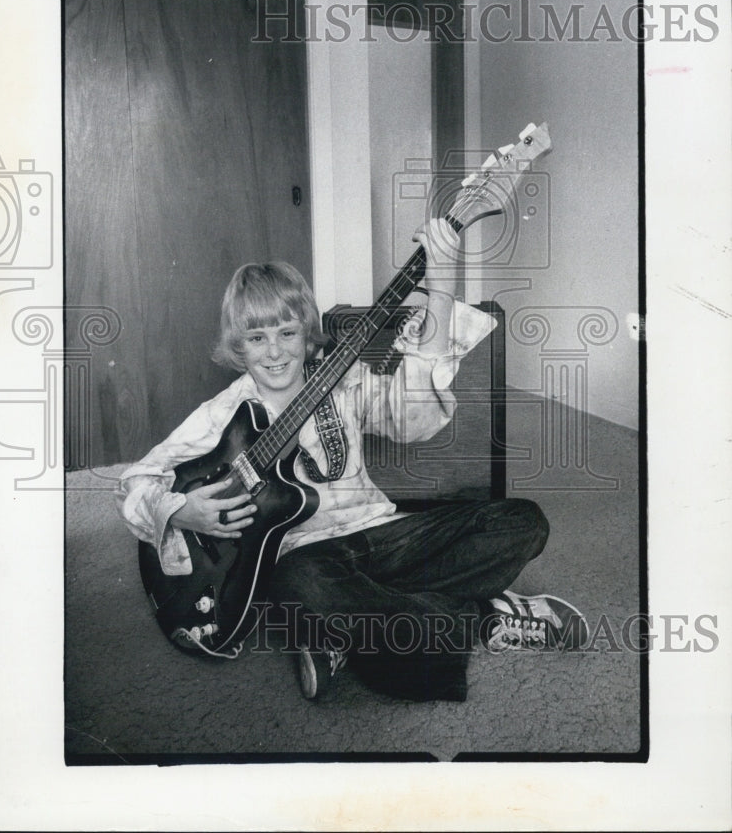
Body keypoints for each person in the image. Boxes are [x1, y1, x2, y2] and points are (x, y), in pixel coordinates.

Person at [117, 219, 588, 703]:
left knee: (522, 523)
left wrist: (440, 295)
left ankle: (345, 632)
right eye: (257, 338)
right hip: (311, 559)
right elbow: (134, 483)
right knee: (302, 586)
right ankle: (483, 616)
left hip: (383, 533)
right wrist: (181, 510)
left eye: (286, 332)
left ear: (306, 332)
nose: (275, 351)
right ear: (238, 345)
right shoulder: (222, 414)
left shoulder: (342, 380)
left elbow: (414, 423)